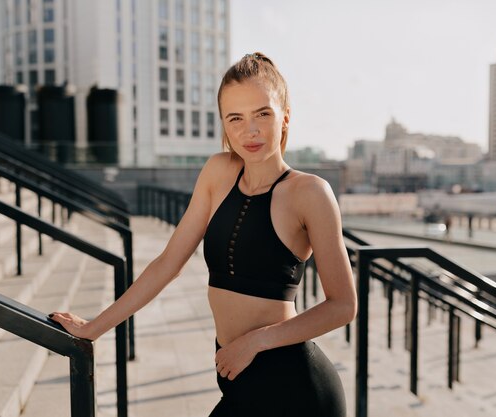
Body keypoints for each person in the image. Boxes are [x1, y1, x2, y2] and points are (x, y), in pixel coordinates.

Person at [50, 52, 357, 417]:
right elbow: (168, 263)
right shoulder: (217, 172)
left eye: (263, 114)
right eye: (236, 118)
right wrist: (95, 327)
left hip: (293, 387)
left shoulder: (310, 193)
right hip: (237, 377)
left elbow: (343, 305)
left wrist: (255, 342)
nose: (250, 130)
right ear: (224, 125)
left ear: (285, 116)